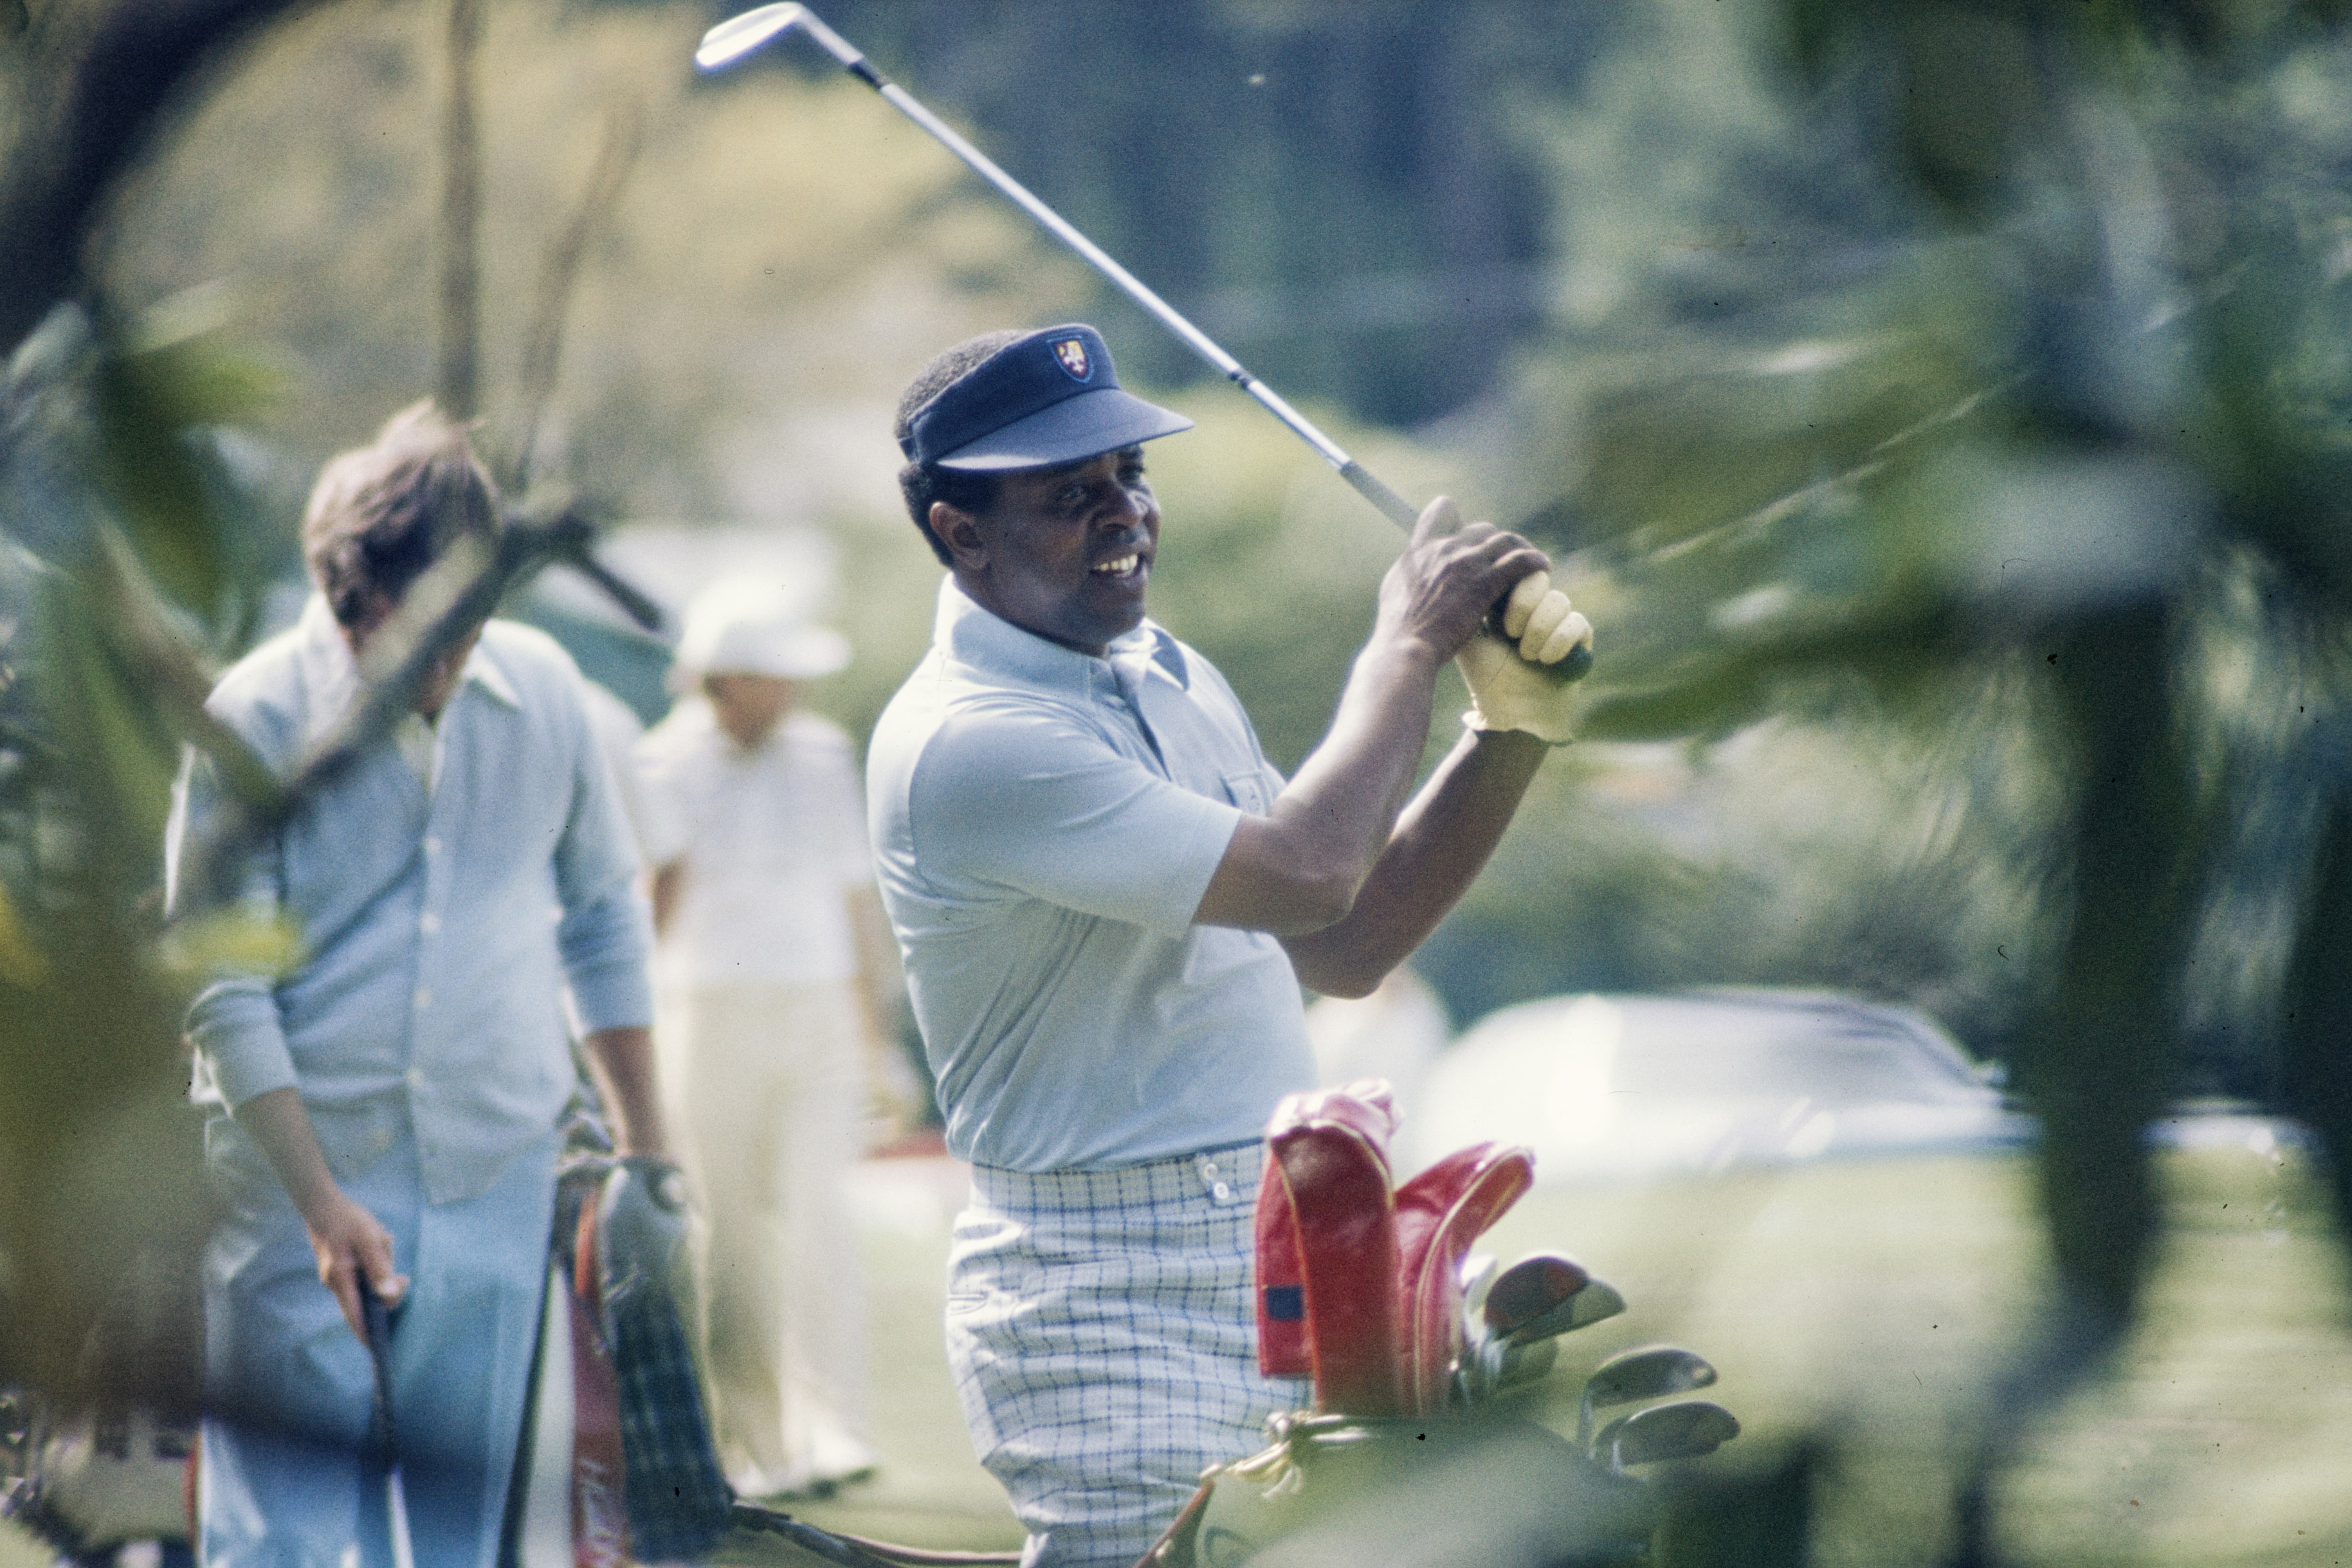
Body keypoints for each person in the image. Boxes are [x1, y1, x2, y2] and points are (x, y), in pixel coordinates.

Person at [866, 323, 1589, 1567]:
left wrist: (1507, 729)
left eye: (1129, 479)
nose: (1124, 517)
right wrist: (1407, 642)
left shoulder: (1167, 674)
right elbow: (1308, 869)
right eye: (1069, 496)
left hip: (1276, 1247)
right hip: (1096, 1291)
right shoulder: (968, 739)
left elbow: (1343, 943)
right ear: (957, 532)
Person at [164, 402, 666, 1567]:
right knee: (278, 1541)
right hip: (295, 1185)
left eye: (465, 629)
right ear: (347, 601)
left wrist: (650, 1153)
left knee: (459, 1540)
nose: (442, 665)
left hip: (494, 1174)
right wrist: (318, 1201)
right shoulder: (250, 717)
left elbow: (601, 918)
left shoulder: (547, 693)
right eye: (412, 638)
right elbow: (223, 990)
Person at [634, 576, 907, 1499]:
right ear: (726, 680)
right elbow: (652, 908)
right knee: (732, 1239)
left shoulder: (822, 753)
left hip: (815, 1013)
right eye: (774, 676)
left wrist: (876, 1045)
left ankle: (832, 1430)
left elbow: (851, 898)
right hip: (706, 1018)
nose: (792, 692)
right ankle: (754, 1446)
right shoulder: (663, 760)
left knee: (820, 1220)